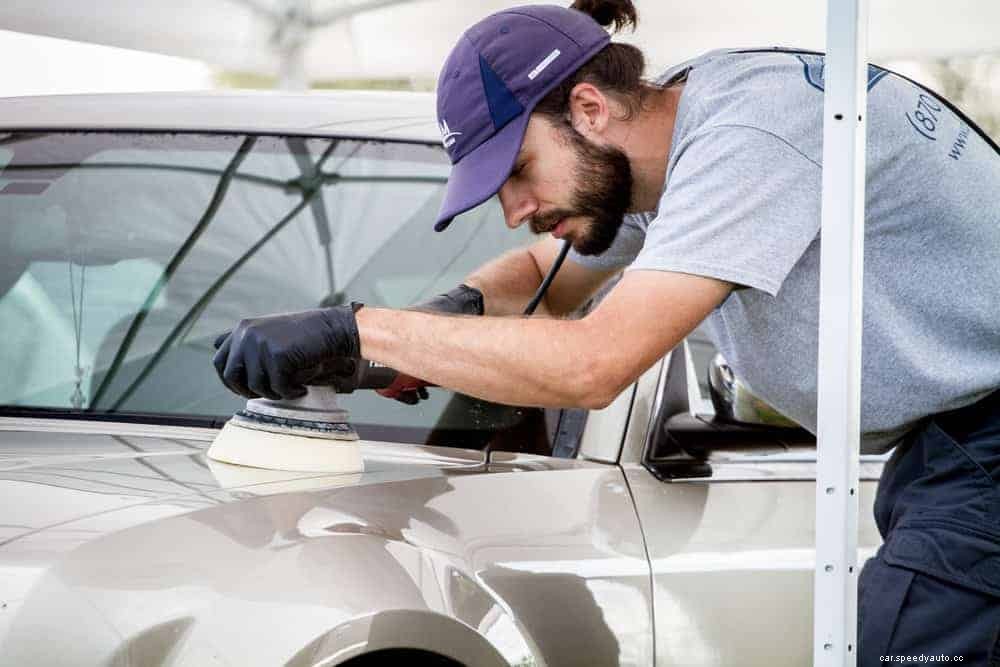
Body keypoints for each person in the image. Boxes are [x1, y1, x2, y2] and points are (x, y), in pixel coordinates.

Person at [212, 0, 1000, 662]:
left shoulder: (747, 141)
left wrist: (358, 333)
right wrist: (444, 317)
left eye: (517, 172)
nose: (515, 208)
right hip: (951, 449)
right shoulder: (672, 142)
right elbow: (541, 278)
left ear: (588, 107)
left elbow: (594, 364)